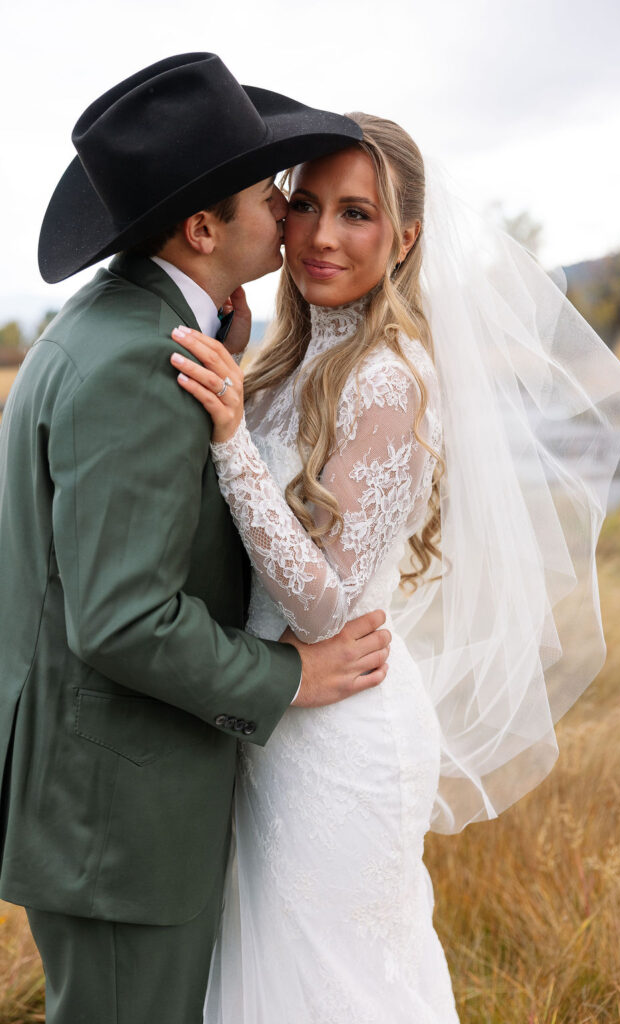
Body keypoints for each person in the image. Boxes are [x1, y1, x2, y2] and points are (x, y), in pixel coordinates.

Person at [173, 112, 620, 1022]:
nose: (318, 235)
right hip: (272, 726)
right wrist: (235, 367)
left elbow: (320, 606)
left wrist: (232, 442)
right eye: (305, 204)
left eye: (357, 213)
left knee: (339, 987)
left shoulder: (390, 375)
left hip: (338, 743)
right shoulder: (284, 355)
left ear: (406, 237)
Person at [0, 55, 393, 1024]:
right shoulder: (140, 364)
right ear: (203, 226)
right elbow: (123, 618)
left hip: (102, 793)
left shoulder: (115, 326)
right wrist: (286, 676)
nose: (288, 216)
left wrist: (224, 326)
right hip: (118, 818)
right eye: (271, 196)